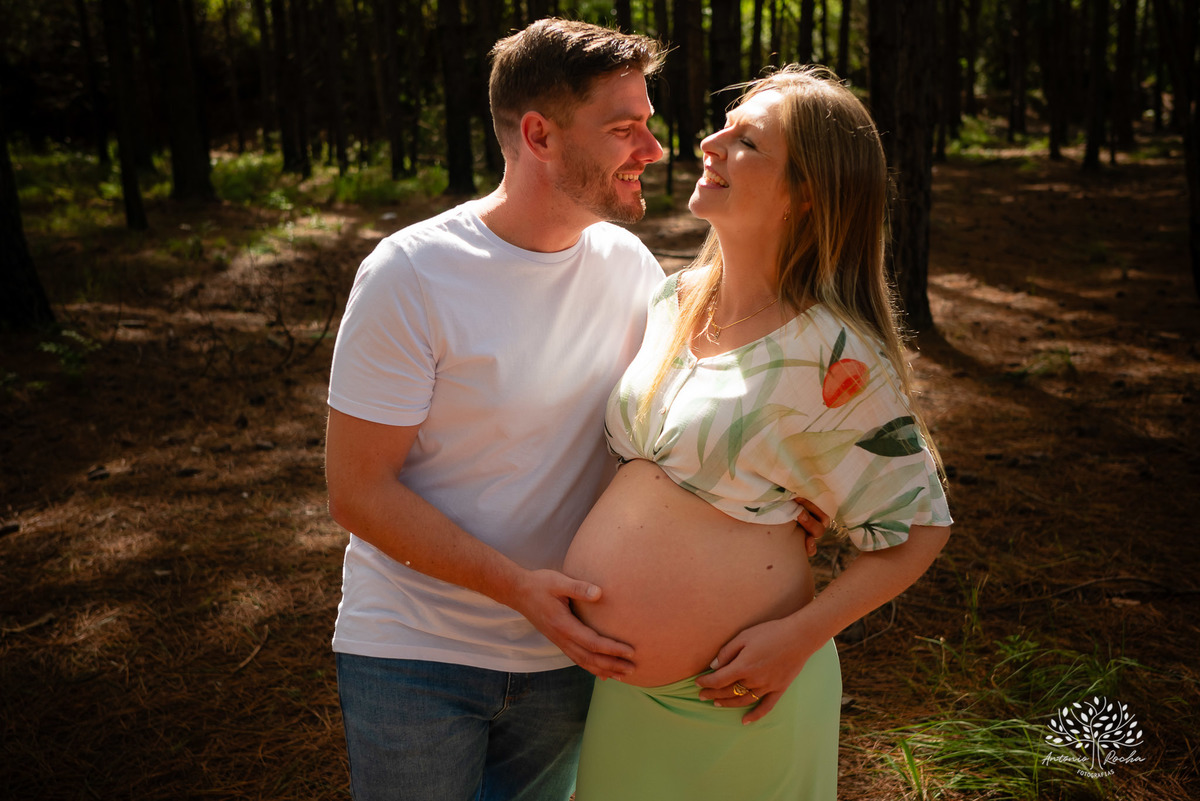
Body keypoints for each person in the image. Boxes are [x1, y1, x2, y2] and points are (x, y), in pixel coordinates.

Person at [564, 65, 955, 800]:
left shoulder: (834, 353)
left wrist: (801, 634)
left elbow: (919, 527)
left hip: (742, 698)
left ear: (806, 193)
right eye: (724, 127)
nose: (709, 144)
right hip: (625, 695)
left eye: (747, 141)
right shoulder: (672, 300)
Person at [322, 19, 666, 801]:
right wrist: (518, 589)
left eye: (648, 124)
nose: (652, 149)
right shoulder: (411, 275)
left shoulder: (633, 270)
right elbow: (358, 491)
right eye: (624, 129)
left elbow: (669, 440)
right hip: (414, 655)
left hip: (567, 656)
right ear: (539, 135)